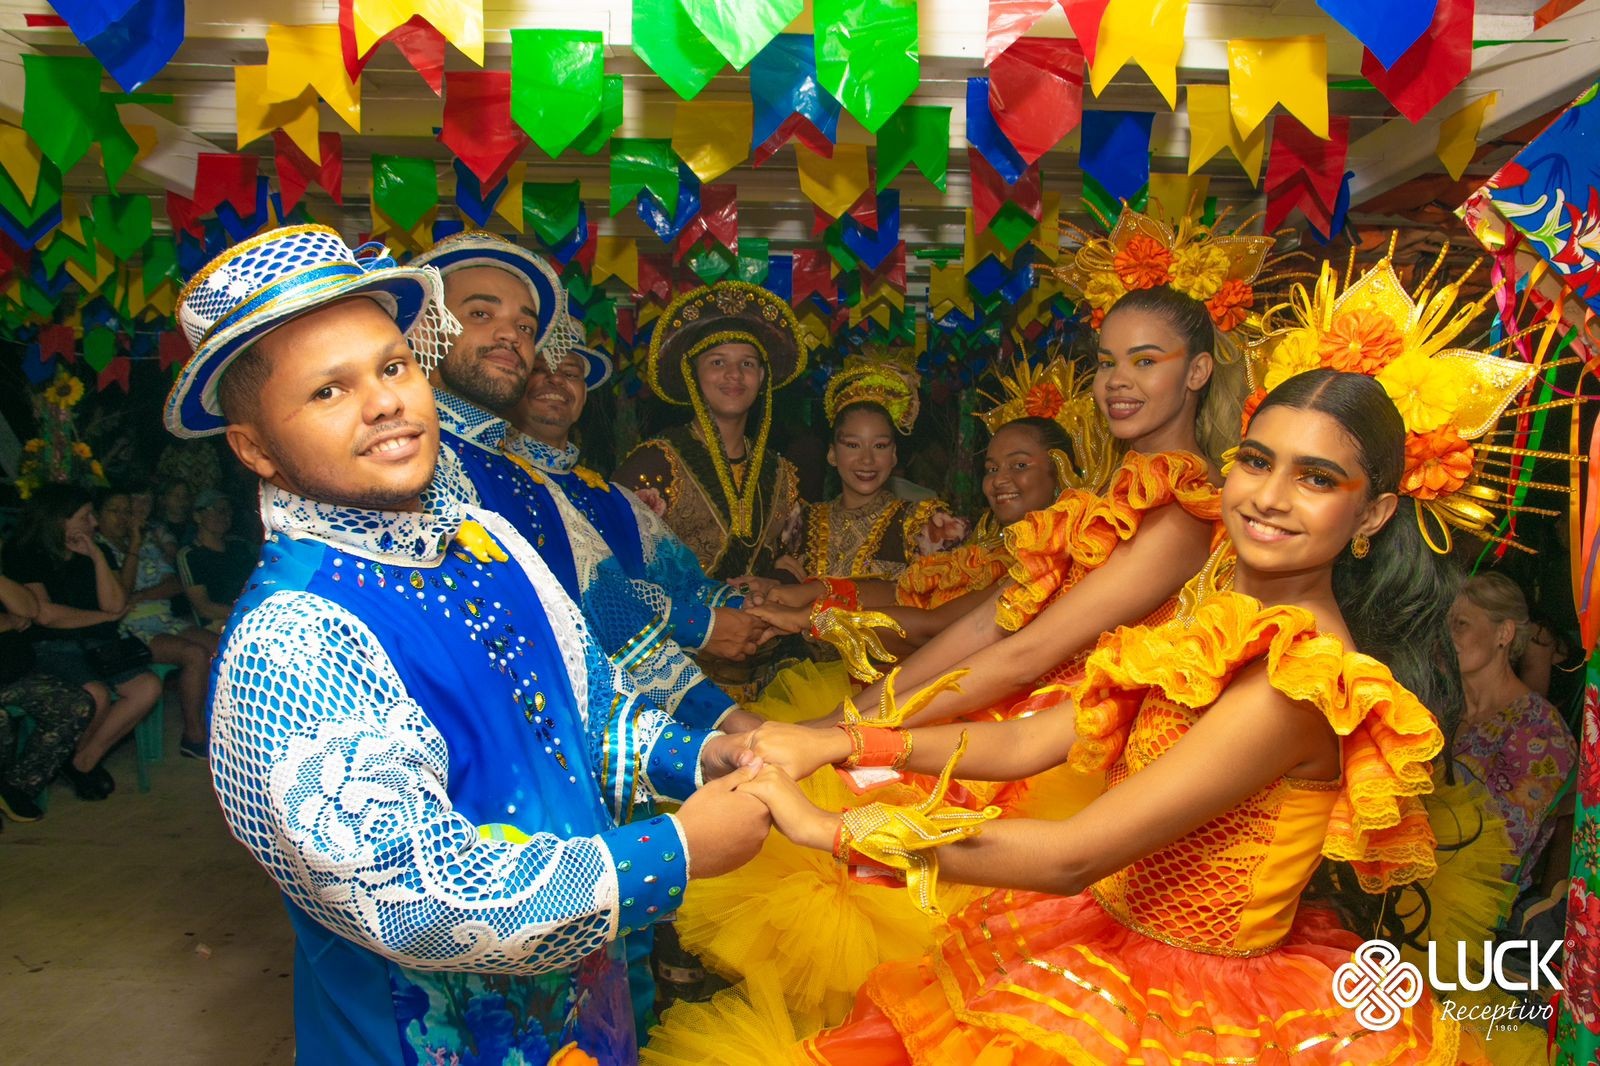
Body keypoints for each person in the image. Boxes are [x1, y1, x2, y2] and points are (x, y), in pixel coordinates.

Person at [162, 223, 771, 1062]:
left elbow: (589, 725)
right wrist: (674, 851)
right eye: (328, 392)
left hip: (586, 1024)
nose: (383, 402)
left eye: (391, 367)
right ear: (254, 447)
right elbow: (414, 893)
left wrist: (711, 757)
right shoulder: (294, 639)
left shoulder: (487, 542)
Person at [668, 202, 1279, 1026]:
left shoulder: (1183, 511)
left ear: (1197, 372)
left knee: (944, 990)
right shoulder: (1103, 502)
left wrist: (843, 735)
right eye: (1106, 362)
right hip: (1000, 724)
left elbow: (1028, 656)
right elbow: (986, 624)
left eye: (1146, 360)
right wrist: (847, 719)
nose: (1119, 382)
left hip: (1065, 751)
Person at [412, 231, 754, 733]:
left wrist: (723, 723)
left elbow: (608, 603)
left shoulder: (553, 487)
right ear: (426, 329)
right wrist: (724, 723)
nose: (511, 336)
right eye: (481, 314)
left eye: (524, 326)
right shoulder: (406, 461)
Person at [614, 281, 810, 700]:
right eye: (717, 362)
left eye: (748, 364)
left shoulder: (783, 473)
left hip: (770, 676)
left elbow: (797, 559)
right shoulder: (654, 463)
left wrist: (768, 585)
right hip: (673, 684)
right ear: (693, 374)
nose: (734, 376)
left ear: (763, 378)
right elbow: (613, 573)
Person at [2, 484, 163, 799]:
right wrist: (102, 618)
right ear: (60, 520)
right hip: (50, 645)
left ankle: (81, 761)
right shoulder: (24, 552)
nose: (94, 523)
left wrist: (96, 558)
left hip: (98, 644)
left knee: (147, 687)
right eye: (86, 516)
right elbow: (45, 615)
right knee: (95, 694)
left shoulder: (94, 549)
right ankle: (71, 762)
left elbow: (116, 604)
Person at [776, 354, 968, 584]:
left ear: (894, 455)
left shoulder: (922, 525)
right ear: (832, 454)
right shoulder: (800, 525)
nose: (867, 459)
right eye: (853, 445)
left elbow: (943, 608)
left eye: (879, 445)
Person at [1450, 571, 1577, 891]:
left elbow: (1503, 852)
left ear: (1503, 633)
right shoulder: (1440, 707)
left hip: (1471, 909)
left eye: (1461, 623)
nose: (1446, 634)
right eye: (1443, 622)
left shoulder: (1540, 731)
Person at [96, 487, 217, 759]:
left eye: (126, 511)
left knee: (222, 647)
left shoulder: (145, 540)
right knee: (194, 654)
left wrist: (141, 594)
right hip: (129, 627)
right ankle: (193, 735)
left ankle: (224, 727)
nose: (122, 518)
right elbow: (120, 595)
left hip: (164, 617)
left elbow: (175, 584)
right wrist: (134, 550)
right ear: (97, 515)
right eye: (114, 511)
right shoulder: (99, 549)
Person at [0, 570, 97, 822]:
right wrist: (9, 621)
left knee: (76, 704)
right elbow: (18, 619)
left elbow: (30, 609)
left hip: (13, 674)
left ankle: (15, 787)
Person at [176, 489, 256, 629]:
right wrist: (247, 613)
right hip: (220, 624)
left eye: (228, 511)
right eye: (218, 510)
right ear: (198, 516)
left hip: (253, 613)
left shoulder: (239, 546)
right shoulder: (190, 555)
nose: (225, 516)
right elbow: (204, 608)